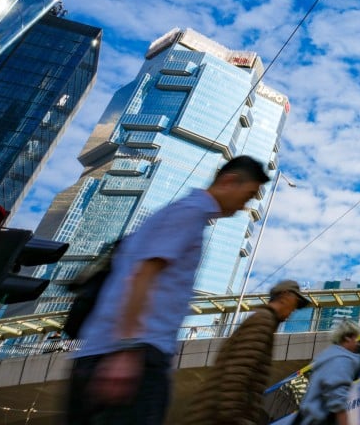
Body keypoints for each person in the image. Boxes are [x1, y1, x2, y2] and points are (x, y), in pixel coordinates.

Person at [67, 155, 270, 424]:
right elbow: (142, 276)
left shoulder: (179, 213)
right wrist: (125, 350)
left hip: (114, 353)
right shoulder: (188, 213)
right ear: (229, 181)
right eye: (248, 195)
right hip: (135, 356)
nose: (245, 206)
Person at [183, 280, 311, 424]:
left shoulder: (264, 320)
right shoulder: (263, 321)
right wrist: (231, 417)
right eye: (296, 302)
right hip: (219, 417)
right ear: (285, 295)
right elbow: (238, 371)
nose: (294, 310)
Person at [298, 320, 360, 425]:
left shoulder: (327, 358)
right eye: (355, 339)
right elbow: (338, 400)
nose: (358, 344)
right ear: (347, 338)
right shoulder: (341, 359)